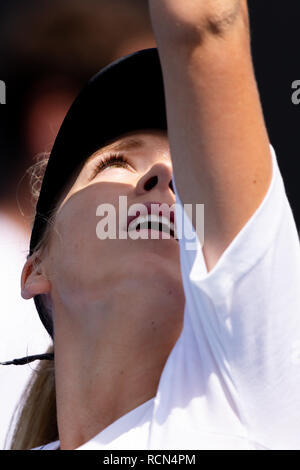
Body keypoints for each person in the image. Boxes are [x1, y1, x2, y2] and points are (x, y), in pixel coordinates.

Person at [3, 0, 300, 450]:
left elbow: (207, 24)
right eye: (116, 161)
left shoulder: (250, 389)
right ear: (35, 268)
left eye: (188, 180)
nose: (163, 177)